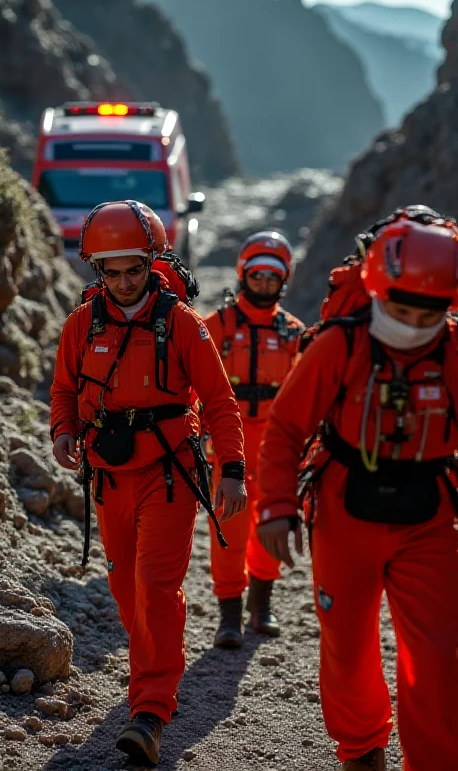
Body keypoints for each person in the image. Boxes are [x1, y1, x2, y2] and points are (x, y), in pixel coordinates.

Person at [254, 208, 458, 771]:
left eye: (429, 312)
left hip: (431, 518)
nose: (414, 323)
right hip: (344, 511)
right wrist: (274, 507)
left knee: (438, 658)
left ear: (454, 301)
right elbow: (287, 428)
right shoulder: (338, 347)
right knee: (347, 650)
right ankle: (361, 751)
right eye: (400, 308)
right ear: (374, 287)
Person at [50, 200, 247, 766]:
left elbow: (219, 402)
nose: (124, 281)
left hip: (169, 475)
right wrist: (63, 432)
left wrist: (231, 469)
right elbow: (64, 389)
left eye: (134, 269)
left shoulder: (181, 323)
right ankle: (158, 669)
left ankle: (151, 708)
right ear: (98, 271)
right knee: (125, 587)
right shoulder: (81, 324)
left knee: (156, 584)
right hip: (108, 477)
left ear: (152, 261)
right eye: (111, 272)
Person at [204, 232, 305, 648]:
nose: (264, 284)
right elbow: (191, 385)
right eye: (257, 275)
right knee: (228, 530)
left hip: (277, 450)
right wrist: (192, 440)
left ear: (285, 282)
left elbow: (308, 395)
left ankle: (261, 605)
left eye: (273, 278)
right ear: (243, 274)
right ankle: (229, 613)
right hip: (230, 447)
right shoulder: (217, 326)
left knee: (271, 526)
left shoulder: (295, 333)